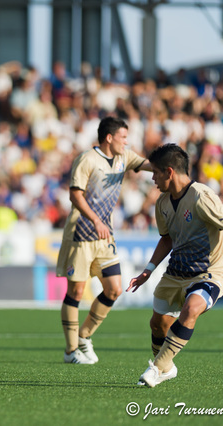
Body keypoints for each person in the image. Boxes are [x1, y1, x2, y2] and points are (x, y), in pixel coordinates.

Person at [56, 116, 152, 364]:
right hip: (82, 232)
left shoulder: (124, 157)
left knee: (114, 289)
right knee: (76, 290)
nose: (126, 141)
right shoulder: (87, 159)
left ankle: (84, 336)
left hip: (104, 234)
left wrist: (172, 167)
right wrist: (96, 220)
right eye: (123, 137)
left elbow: (148, 164)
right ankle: (70, 352)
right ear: (109, 138)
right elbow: (75, 196)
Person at [127, 144, 223, 387]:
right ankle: (167, 367)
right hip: (174, 273)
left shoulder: (202, 197)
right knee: (158, 325)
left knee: (191, 310)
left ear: (170, 172)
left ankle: (157, 370)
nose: (152, 178)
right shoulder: (162, 203)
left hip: (208, 272)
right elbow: (167, 238)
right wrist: (148, 270)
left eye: (156, 172)